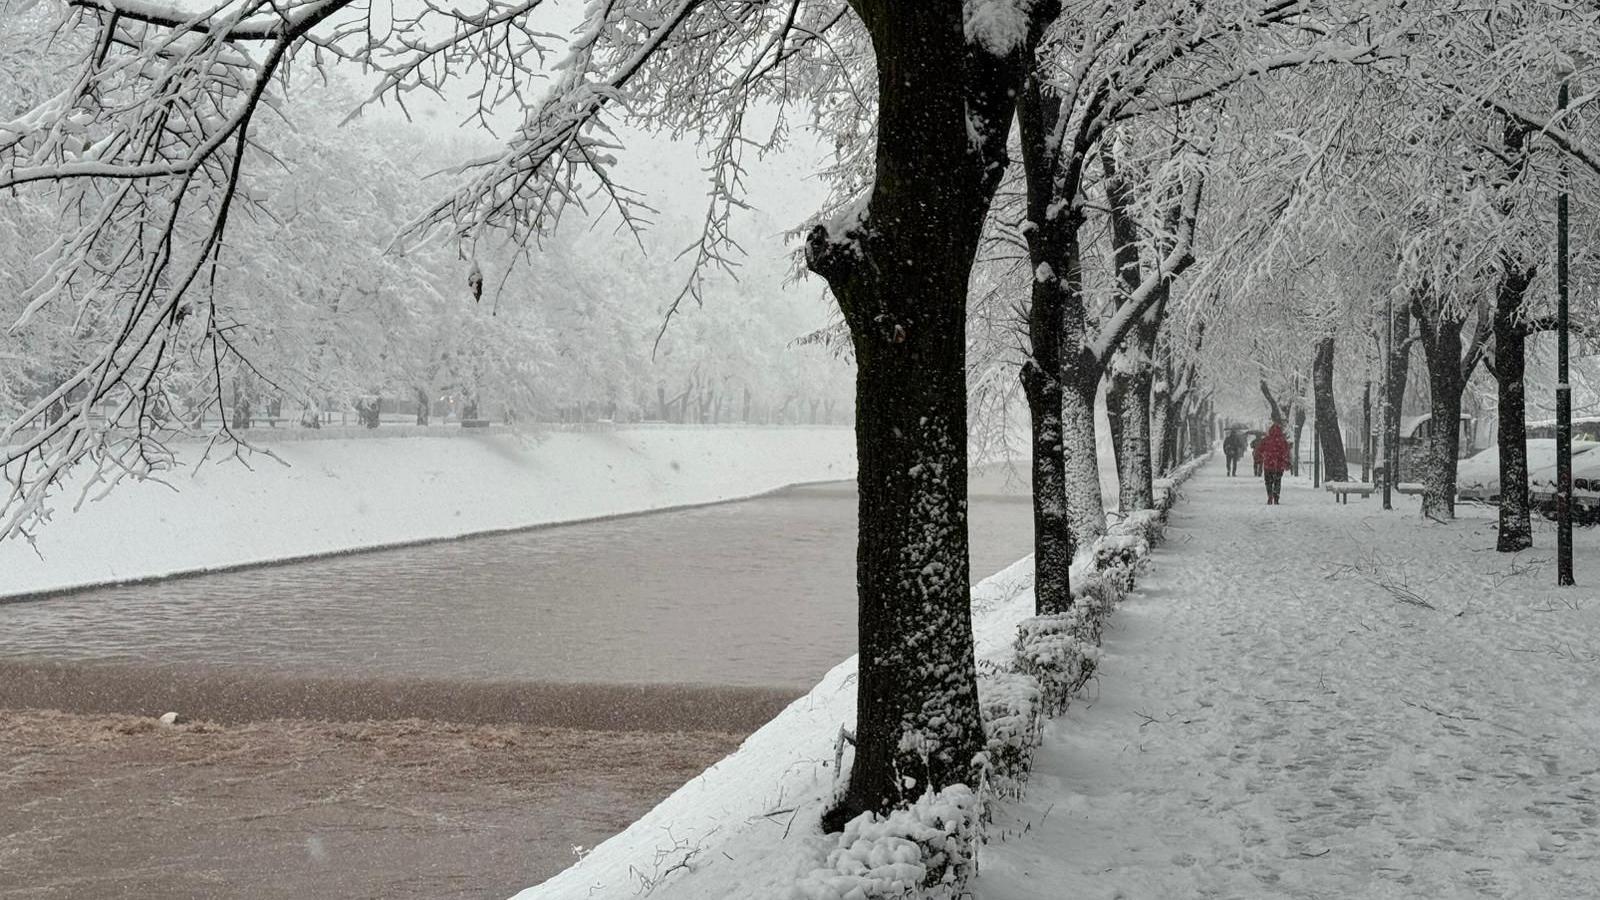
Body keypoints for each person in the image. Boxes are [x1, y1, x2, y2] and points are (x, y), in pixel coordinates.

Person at [1259, 421, 1291, 504]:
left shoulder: (1266, 440)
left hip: (1268, 465)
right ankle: (1276, 498)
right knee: (1277, 481)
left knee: (1268, 482)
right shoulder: (1283, 441)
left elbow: (1259, 450)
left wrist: (1262, 457)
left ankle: (1270, 496)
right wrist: (1287, 462)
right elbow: (1286, 452)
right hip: (1279, 466)